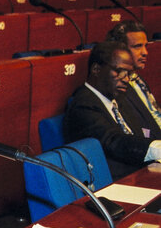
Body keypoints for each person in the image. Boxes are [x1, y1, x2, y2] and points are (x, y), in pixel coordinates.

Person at [64, 41, 161, 180]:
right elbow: (114, 141)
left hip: (141, 174)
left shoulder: (119, 99)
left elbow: (138, 136)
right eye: (119, 71)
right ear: (96, 69)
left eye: (128, 73)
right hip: (114, 184)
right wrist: (156, 149)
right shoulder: (83, 105)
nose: (126, 79)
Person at [106, 21, 160, 139]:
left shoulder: (137, 80)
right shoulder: (118, 88)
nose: (145, 53)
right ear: (119, 50)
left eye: (145, 46)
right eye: (137, 46)